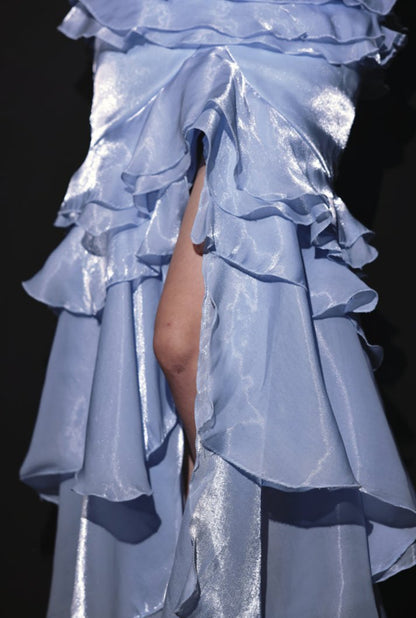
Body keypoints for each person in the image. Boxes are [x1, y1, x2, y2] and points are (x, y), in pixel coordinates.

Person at [20, 1, 416, 616]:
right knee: (133, 294)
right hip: (152, 24)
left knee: (223, 316)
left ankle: (232, 579)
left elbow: (179, 344)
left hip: (282, 26)